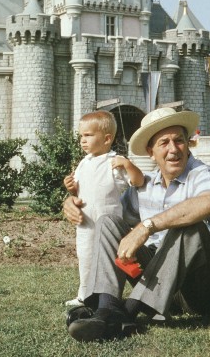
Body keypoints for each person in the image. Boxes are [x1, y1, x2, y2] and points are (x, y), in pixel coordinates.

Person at [63, 107, 210, 342]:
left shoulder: (201, 173)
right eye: (164, 143)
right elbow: (108, 214)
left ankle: (128, 311)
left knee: (189, 226)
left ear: (188, 145)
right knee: (108, 221)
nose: (173, 149)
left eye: (179, 141)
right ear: (151, 152)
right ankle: (107, 308)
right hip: (166, 290)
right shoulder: (144, 186)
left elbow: (209, 203)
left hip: (209, 288)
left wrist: (146, 226)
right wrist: (72, 202)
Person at [63, 110, 145, 306]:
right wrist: (72, 188)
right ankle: (84, 294)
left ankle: (109, 295)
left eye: (88, 135)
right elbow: (81, 192)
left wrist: (128, 164)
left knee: (108, 261)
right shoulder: (84, 163)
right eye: (81, 136)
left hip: (108, 224)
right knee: (85, 257)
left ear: (107, 138)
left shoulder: (114, 162)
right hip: (85, 223)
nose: (83, 140)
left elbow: (138, 180)